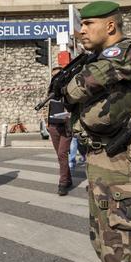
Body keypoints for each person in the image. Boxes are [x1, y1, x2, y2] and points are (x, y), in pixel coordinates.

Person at [63, 1, 131, 262]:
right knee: (105, 240)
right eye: (81, 23)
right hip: (104, 158)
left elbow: (77, 88)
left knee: (123, 248)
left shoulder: (127, 52)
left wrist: (70, 84)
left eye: (88, 24)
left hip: (123, 162)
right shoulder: (100, 57)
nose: (81, 30)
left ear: (110, 26)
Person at [47, 66, 72, 196]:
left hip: (66, 126)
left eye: (57, 76)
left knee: (63, 154)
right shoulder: (50, 91)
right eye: (53, 77)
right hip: (53, 126)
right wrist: (47, 124)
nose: (55, 79)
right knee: (60, 156)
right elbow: (49, 107)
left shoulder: (70, 90)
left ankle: (62, 183)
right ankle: (68, 179)